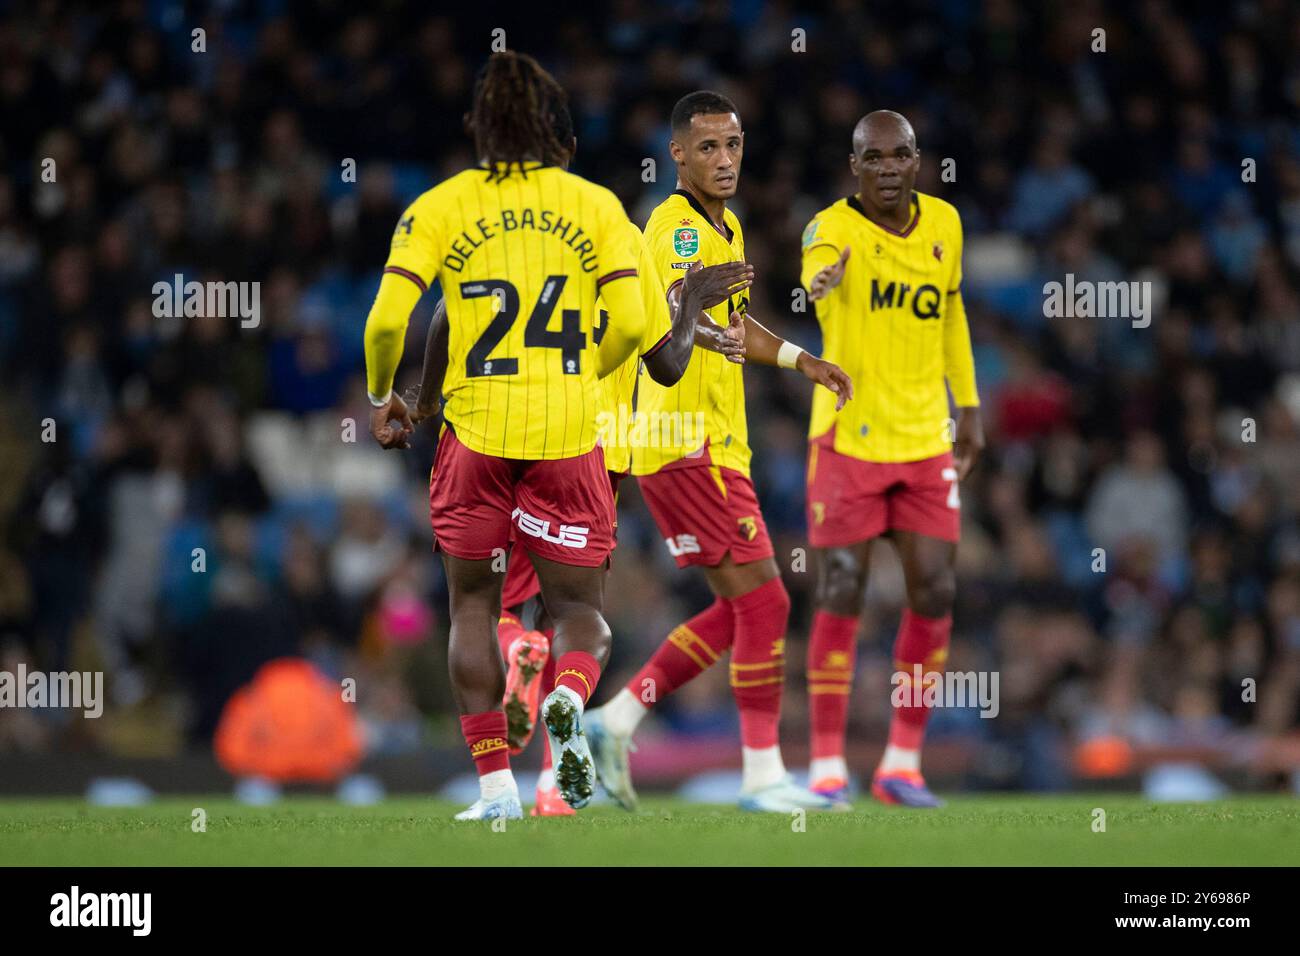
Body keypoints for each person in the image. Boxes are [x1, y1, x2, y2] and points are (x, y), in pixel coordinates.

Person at [362, 51, 649, 819]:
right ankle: (566, 696)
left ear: (476, 128)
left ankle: (495, 791)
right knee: (579, 613)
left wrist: (384, 396)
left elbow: (390, 318)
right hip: (564, 432)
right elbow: (633, 321)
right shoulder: (597, 206)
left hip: (477, 430)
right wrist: (587, 375)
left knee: (474, 612)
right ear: (552, 125)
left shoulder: (440, 206)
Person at [585, 91, 853, 813]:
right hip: (681, 437)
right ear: (677, 154)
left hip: (715, 441)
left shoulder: (725, 226)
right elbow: (668, 316)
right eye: (707, 147)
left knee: (741, 609)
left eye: (733, 144)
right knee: (766, 603)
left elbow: (734, 326)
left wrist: (804, 360)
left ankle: (615, 721)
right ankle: (762, 776)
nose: (724, 159)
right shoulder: (674, 227)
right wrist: (703, 329)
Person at [799, 110, 984, 808]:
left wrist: (967, 404)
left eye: (898, 155)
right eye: (871, 158)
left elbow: (952, 313)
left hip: (925, 436)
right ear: (855, 167)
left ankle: (901, 763)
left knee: (935, 590)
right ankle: (824, 767)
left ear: (916, 160)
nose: (885, 168)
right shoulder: (829, 229)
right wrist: (820, 282)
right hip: (848, 437)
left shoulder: (946, 224)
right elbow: (813, 271)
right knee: (841, 589)